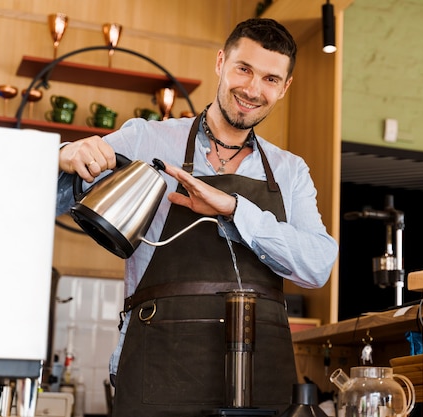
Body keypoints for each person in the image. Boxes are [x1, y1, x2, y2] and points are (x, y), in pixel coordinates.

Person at [55, 18, 338, 417]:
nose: (253, 90)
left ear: (285, 87)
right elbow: (46, 199)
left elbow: (318, 265)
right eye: (244, 69)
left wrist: (236, 211)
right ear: (221, 62)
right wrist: (64, 156)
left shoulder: (290, 172)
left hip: (260, 376)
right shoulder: (145, 139)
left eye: (271, 79)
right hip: (159, 367)